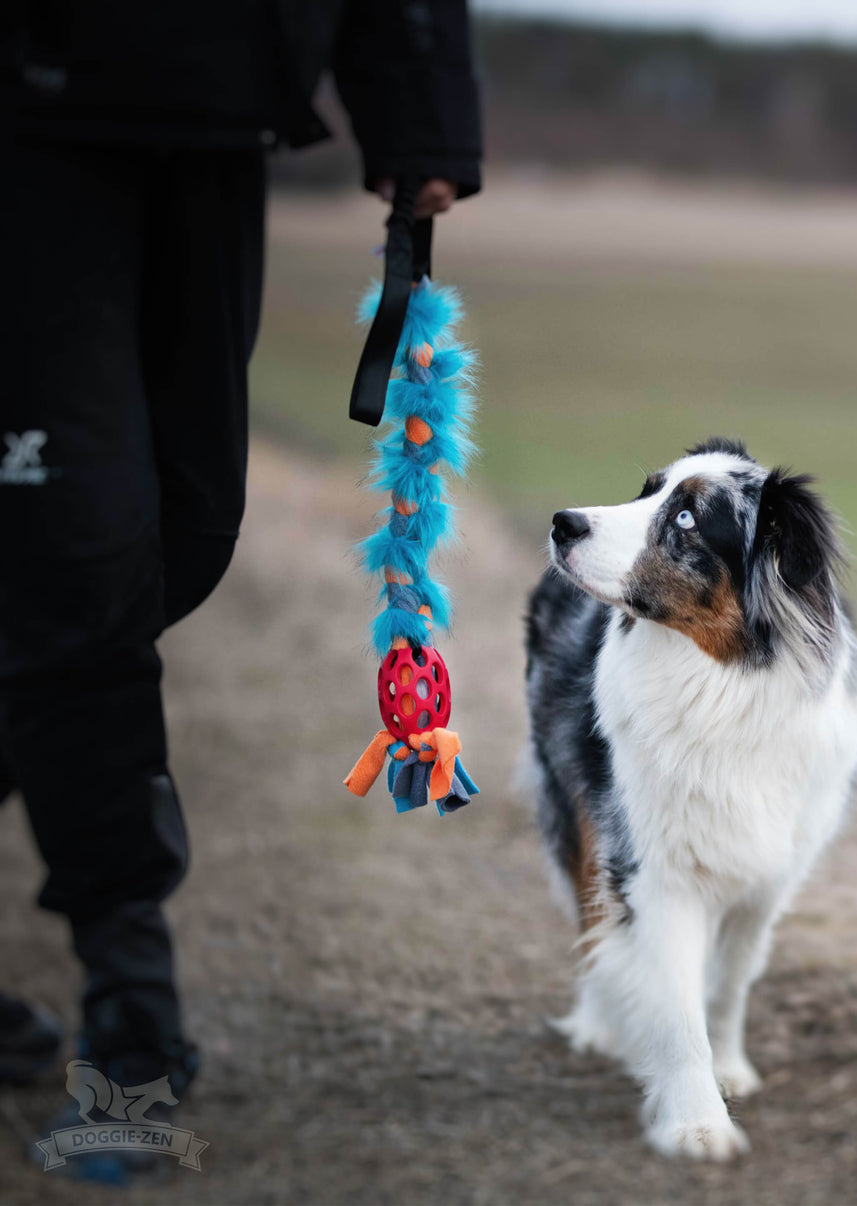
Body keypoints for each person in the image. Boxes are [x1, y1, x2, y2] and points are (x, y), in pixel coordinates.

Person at [0, 0, 481, 1180]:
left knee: (184, 530)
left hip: (221, 120)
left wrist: (417, 117)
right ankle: (133, 1013)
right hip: (29, 125)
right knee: (83, 555)